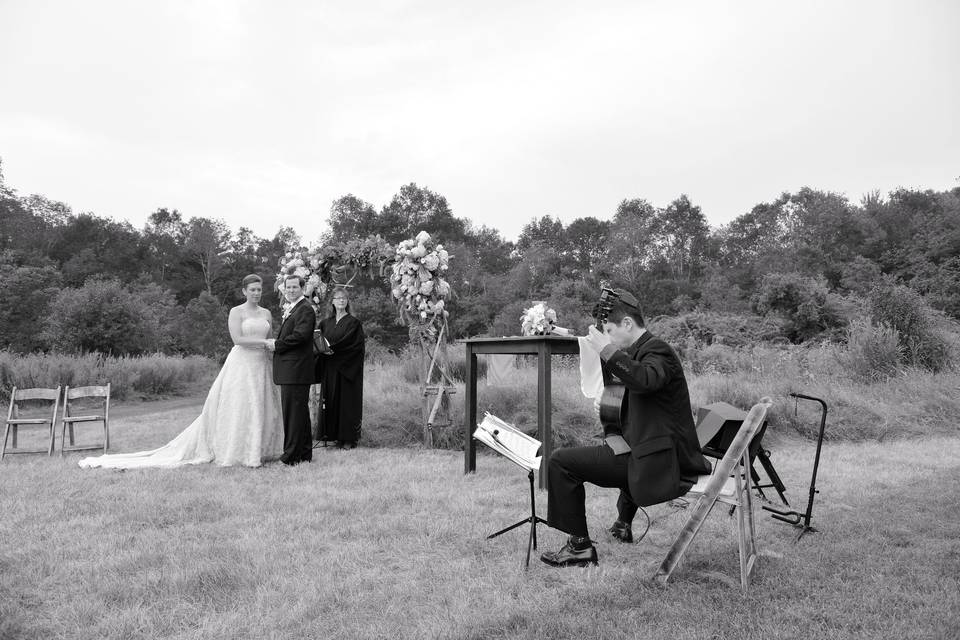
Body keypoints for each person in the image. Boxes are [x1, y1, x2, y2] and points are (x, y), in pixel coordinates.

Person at [540, 288, 711, 567]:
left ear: (628, 324)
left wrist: (606, 350)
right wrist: (610, 411)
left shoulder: (658, 351)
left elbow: (645, 379)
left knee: (561, 462)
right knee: (613, 444)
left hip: (662, 462)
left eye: (609, 330)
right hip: (650, 452)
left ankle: (579, 547)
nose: (608, 337)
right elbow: (641, 398)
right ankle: (622, 524)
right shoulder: (638, 353)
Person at [79, 275, 283, 469]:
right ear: (244, 291)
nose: (256, 293)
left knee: (260, 404)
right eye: (252, 290)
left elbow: (271, 338)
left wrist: (272, 351)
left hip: (261, 364)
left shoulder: (266, 313)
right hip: (242, 363)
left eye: (259, 290)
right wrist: (264, 342)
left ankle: (260, 449)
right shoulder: (236, 312)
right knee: (241, 405)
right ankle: (238, 451)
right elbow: (237, 339)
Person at [267, 275, 317, 465]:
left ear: (303, 289)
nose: (291, 290)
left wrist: (277, 345)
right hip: (292, 369)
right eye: (288, 287)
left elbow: (301, 337)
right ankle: (304, 453)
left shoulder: (305, 309)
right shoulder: (295, 308)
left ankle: (289, 457)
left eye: (295, 287)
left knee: (293, 414)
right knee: (300, 414)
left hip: (296, 369)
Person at [315, 287, 365, 449]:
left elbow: (355, 346)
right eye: (338, 298)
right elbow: (318, 342)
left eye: (344, 298)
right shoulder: (325, 323)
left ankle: (348, 439)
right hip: (329, 369)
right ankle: (334, 436)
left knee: (347, 404)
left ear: (347, 301)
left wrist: (333, 351)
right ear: (333, 302)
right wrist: (323, 352)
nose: (341, 301)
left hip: (347, 369)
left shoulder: (354, 323)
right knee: (330, 401)